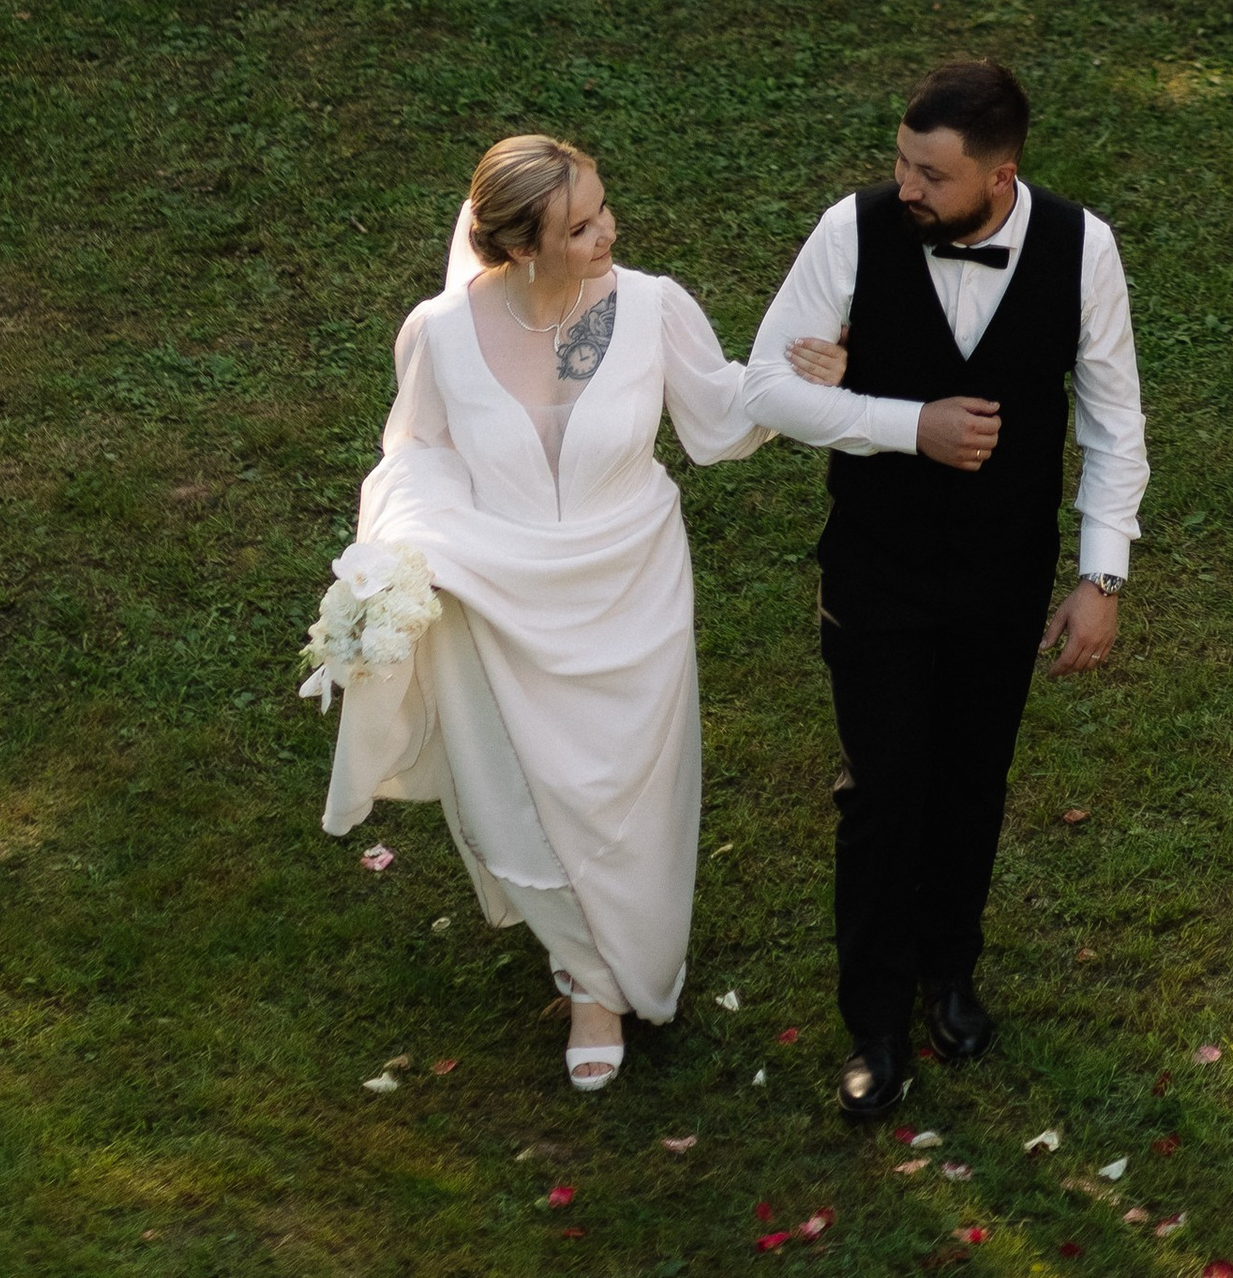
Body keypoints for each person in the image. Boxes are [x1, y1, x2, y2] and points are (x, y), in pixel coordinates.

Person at [314, 132, 846, 1090]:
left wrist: (801, 384)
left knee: (629, 796)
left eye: (603, 209)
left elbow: (720, 422)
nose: (609, 231)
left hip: (629, 582)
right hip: (495, 589)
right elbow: (416, 454)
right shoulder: (436, 332)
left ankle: (627, 942)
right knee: (513, 793)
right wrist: (397, 558)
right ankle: (588, 980)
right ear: (518, 247)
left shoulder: (652, 306)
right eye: (581, 225)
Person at [744, 56, 1148, 1121]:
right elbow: (765, 387)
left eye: (929, 174)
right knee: (883, 791)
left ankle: (949, 972)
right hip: (874, 568)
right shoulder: (853, 230)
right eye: (900, 164)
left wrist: (1098, 572)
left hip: (1002, 575)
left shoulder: (1080, 247)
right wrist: (900, 424)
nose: (905, 188)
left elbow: (1114, 420)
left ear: (1000, 175)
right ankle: (873, 1021)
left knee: (972, 779)